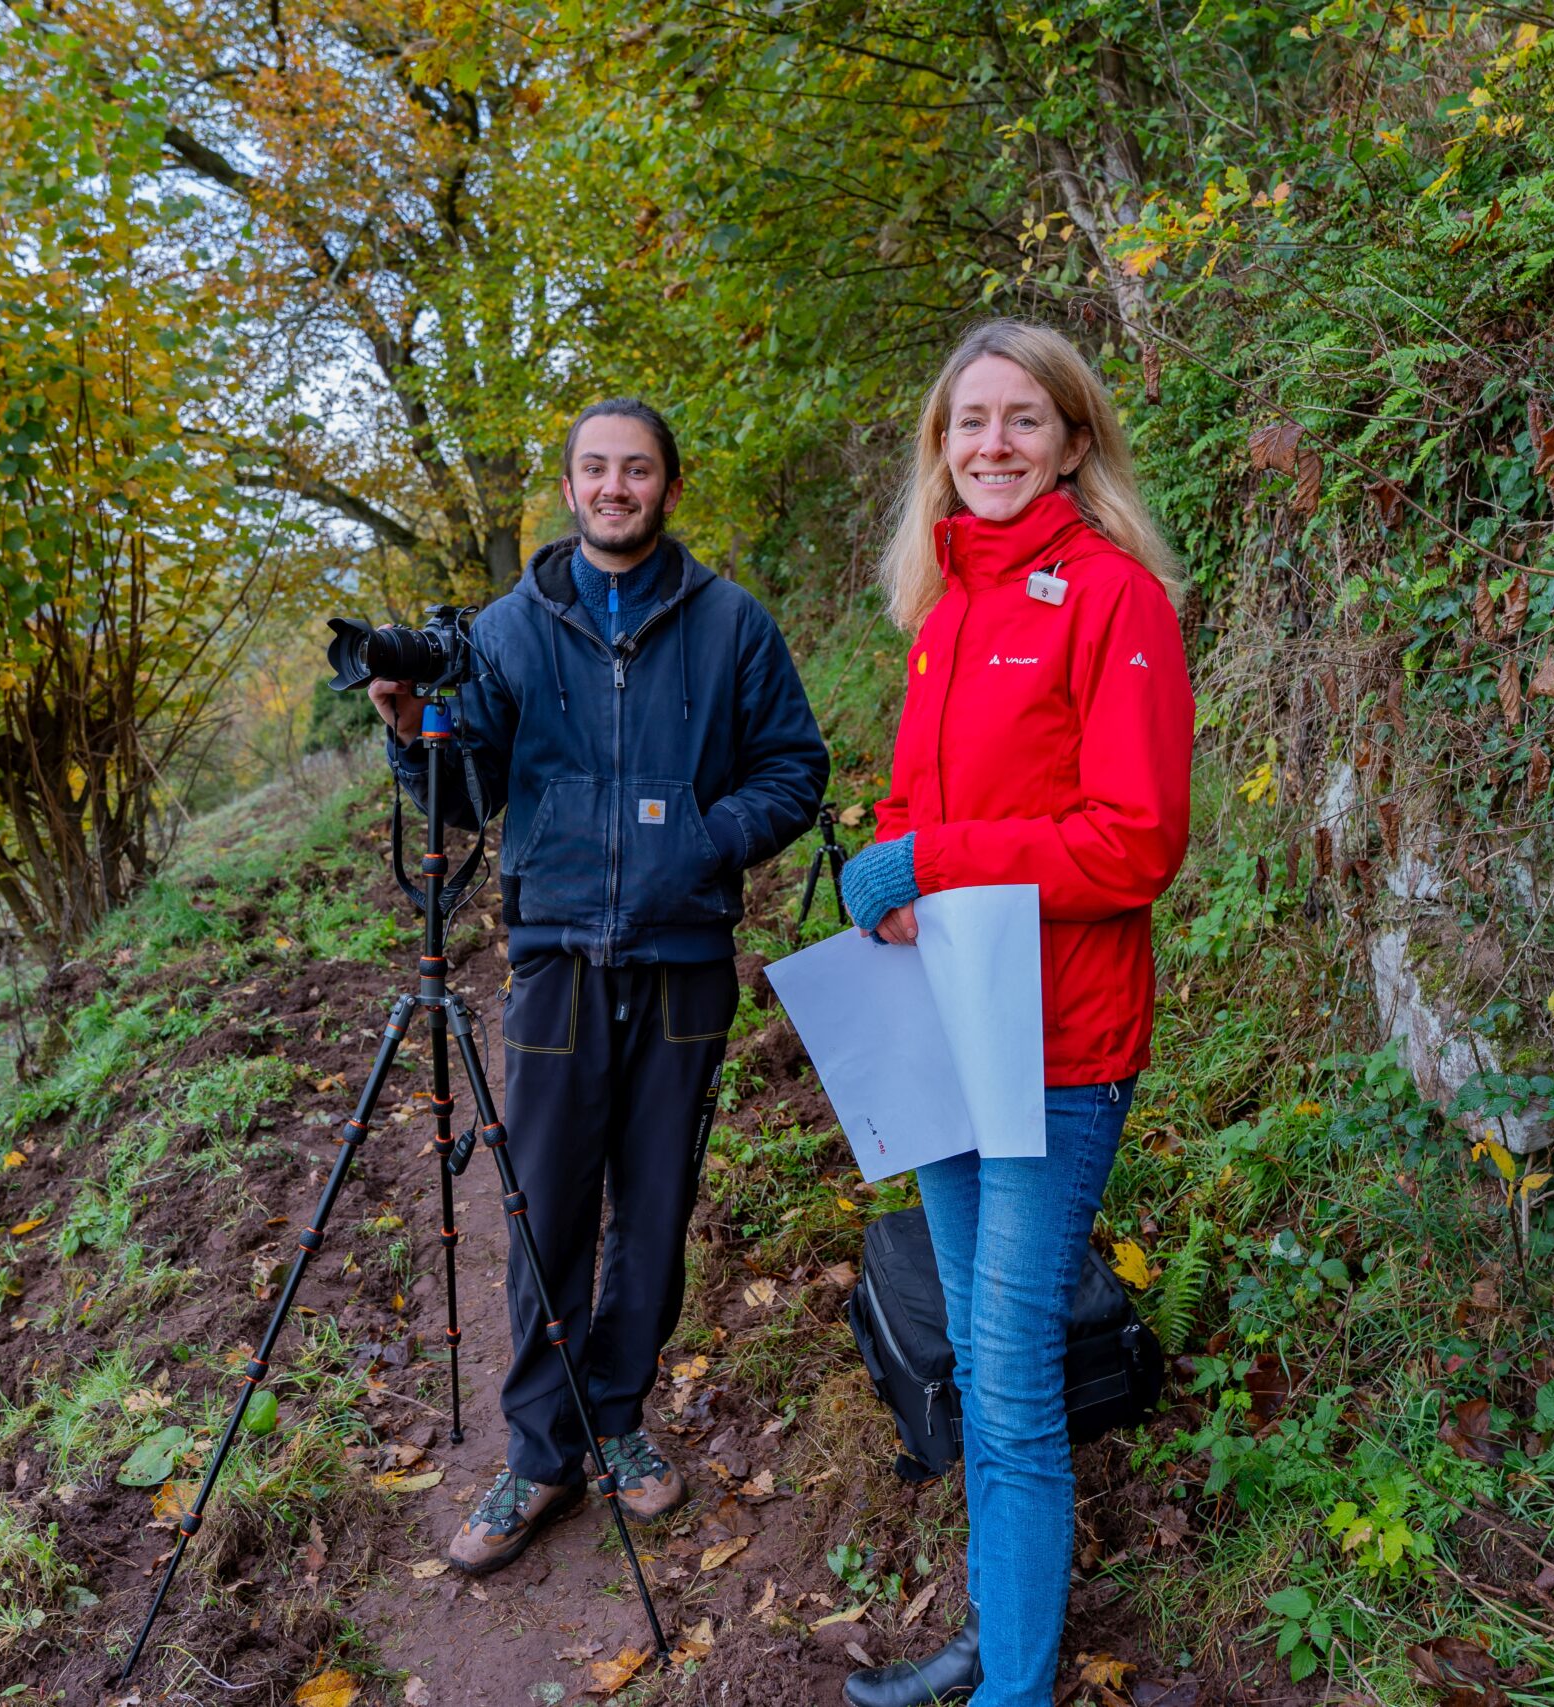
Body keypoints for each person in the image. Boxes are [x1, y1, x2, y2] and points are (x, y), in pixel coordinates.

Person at [367, 398, 829, 1574]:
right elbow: (464, 798)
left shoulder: (731, 625)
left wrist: (707, 841)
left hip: (683, 959)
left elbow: (794, 765)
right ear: (567, 491)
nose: (615, 487)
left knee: (656, 1206)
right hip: (557, 959)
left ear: (670, 487)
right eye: (594, 470)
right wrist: (411, 734)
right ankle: (538, 1454)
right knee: (546, 1207)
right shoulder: (506, 633)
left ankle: (618, 1421)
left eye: (637, 470)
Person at [835, 322, 1193, 1707]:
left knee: (1014, 1372)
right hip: (944, 1030)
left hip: (1057, 1044)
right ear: (940, 446)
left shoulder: (1114, 599)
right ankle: (1004, 1629)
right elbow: (925, 806)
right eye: (967, 421)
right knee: (978, 1365)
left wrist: (930, 862)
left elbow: (1133, 841)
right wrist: (894, 861)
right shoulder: (944, 609)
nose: (991, 443)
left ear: (1075, 439)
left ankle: (1018, 1687)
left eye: (1022, 419)